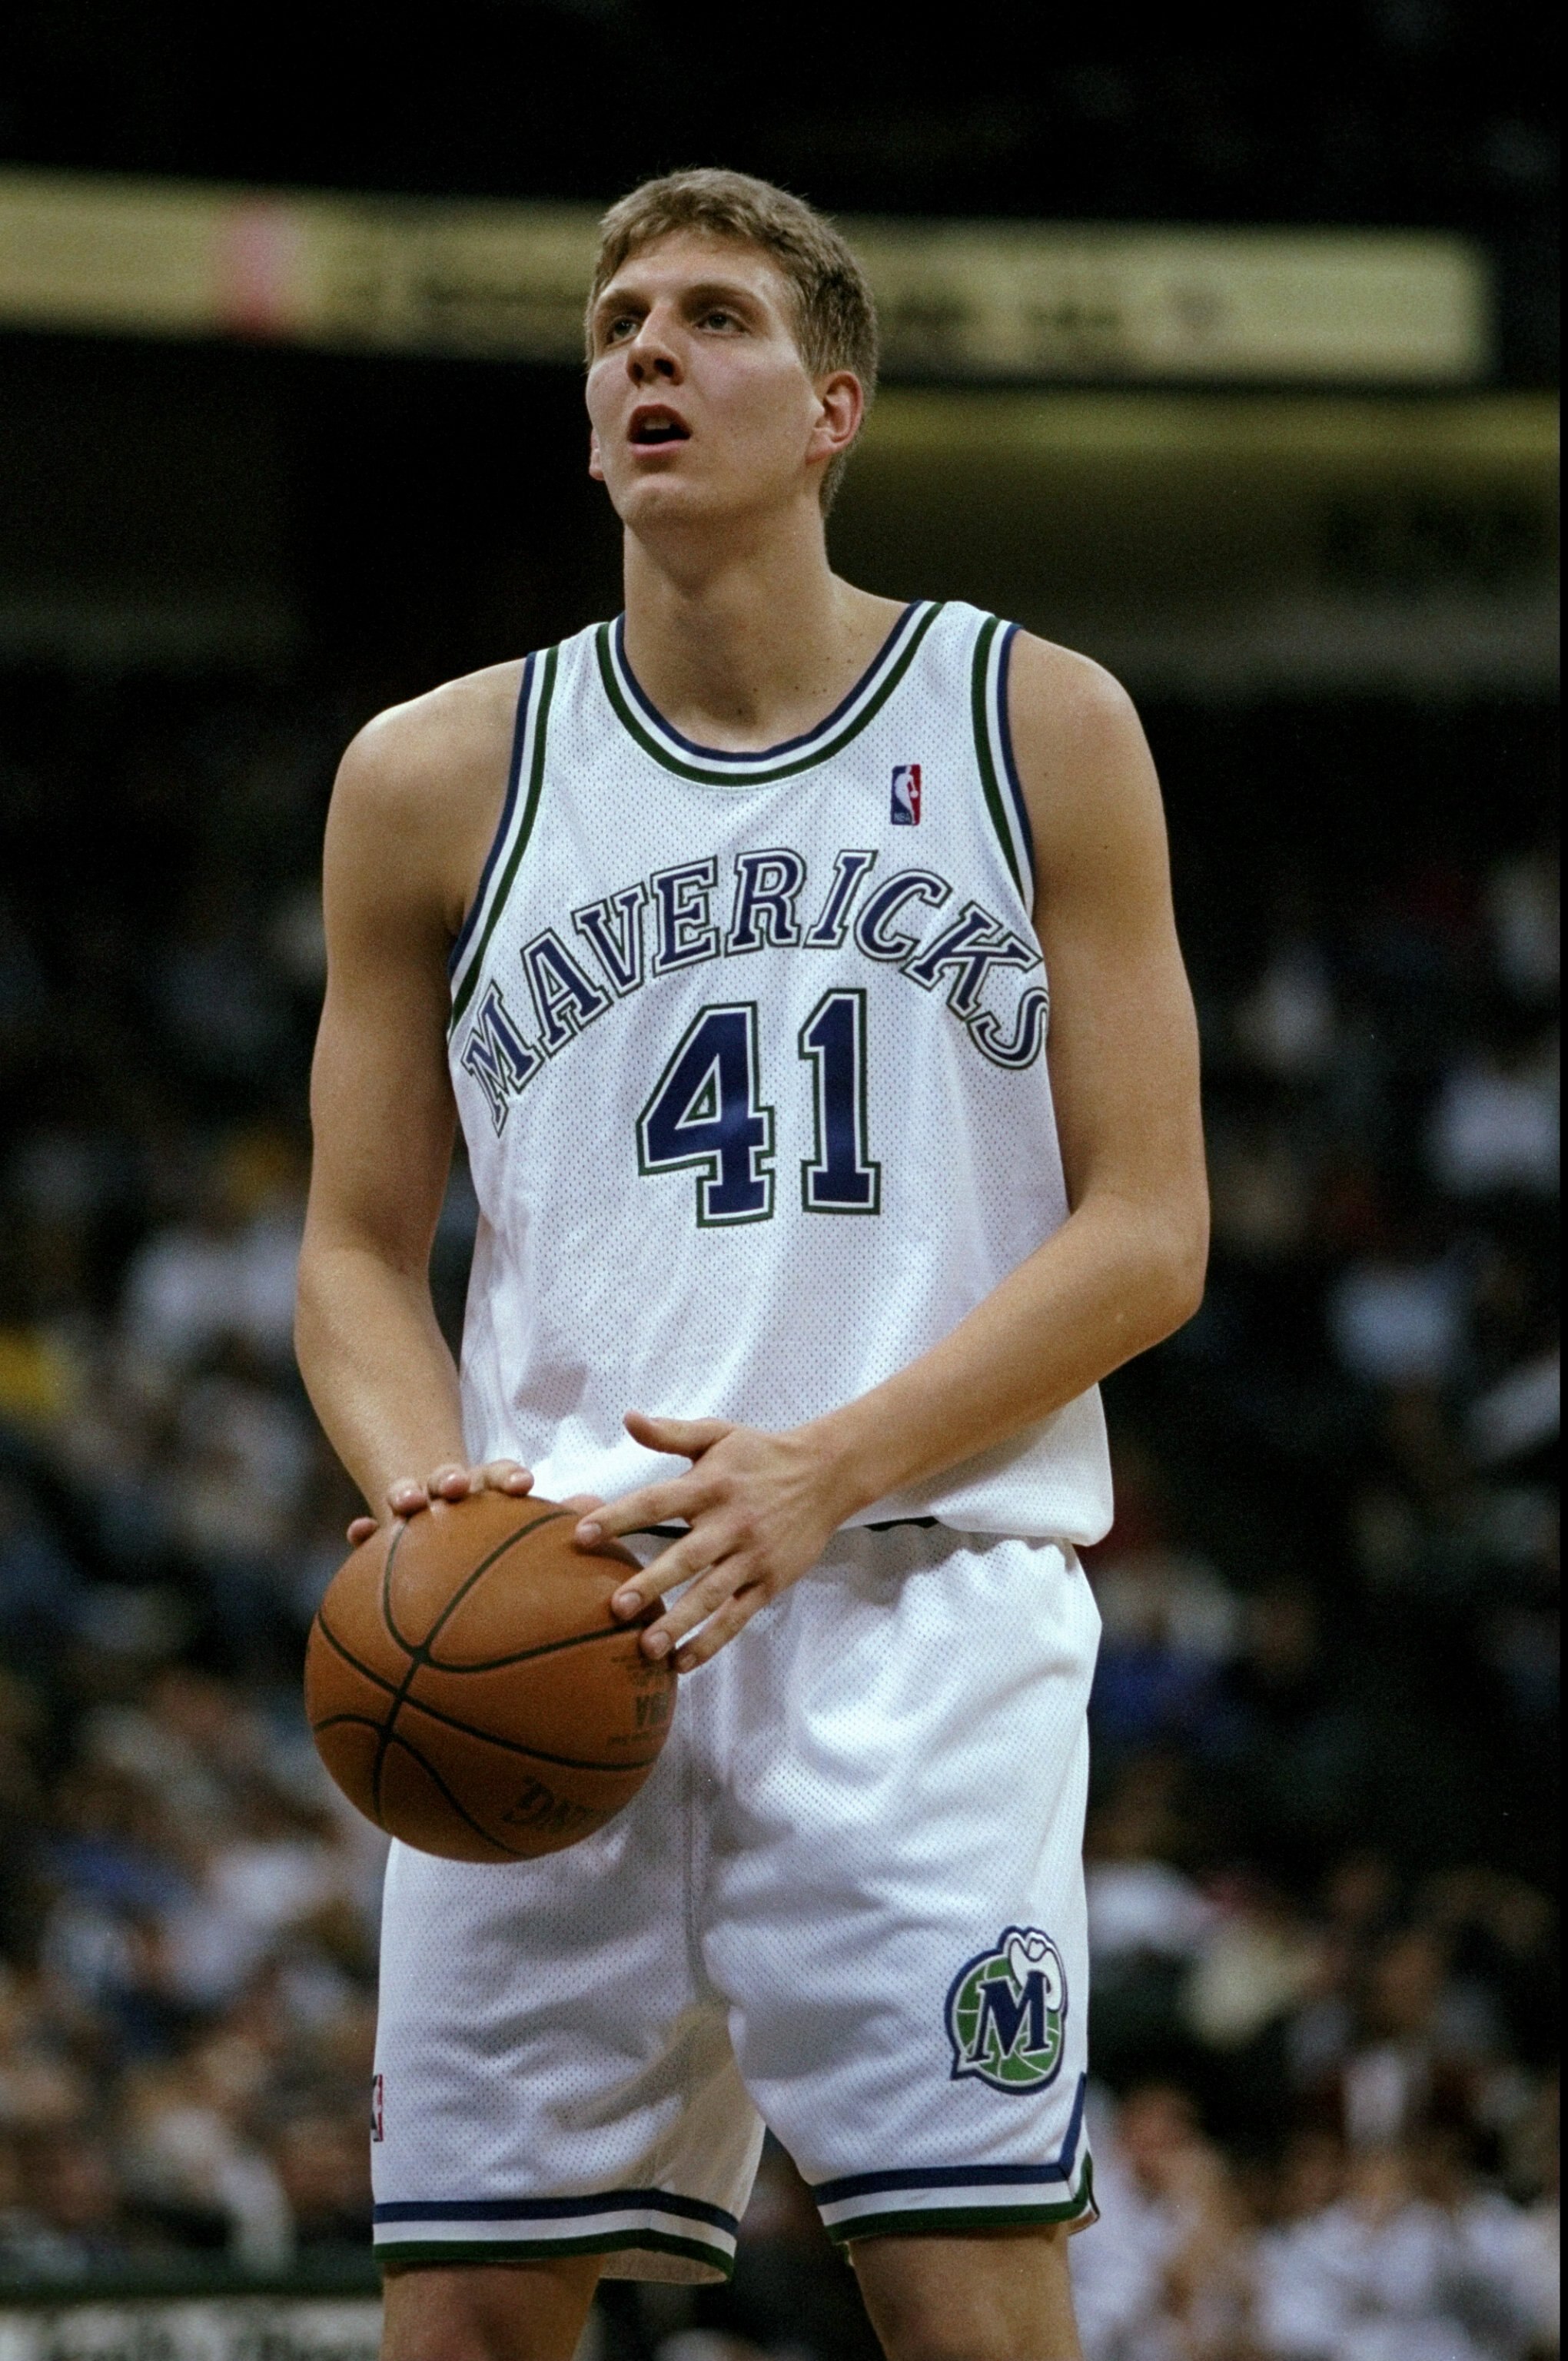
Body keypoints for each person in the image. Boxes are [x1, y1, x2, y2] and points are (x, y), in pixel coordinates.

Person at [295, 168, 1208, 2361]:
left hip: (907, 1616)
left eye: (712, 317)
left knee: (970, 2309)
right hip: (560, 1617)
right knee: (463, 2327)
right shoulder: (430, 777)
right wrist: (427, 1500)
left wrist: (823, 1470)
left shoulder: (1033, 721)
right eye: (619, 323)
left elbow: (1153, 1228)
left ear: (831, 409)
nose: (648, 350)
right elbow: (349, 1253)